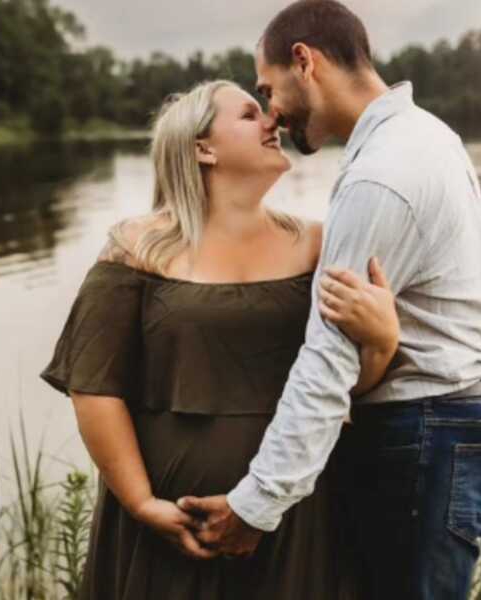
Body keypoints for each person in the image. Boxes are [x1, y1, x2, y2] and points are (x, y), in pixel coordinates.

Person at [178, 2, 481, 599]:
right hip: (447, 423)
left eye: (268, 89)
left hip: (428, 428)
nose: (273, 114)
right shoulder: (423, 137)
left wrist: (256, 505)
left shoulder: (380, 173)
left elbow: (326, 360)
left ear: (304, 61)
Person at [40, 79, 398, 599]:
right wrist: (142, 504)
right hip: (171, 516)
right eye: (251, 115)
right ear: (202, 148)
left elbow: (344, 386)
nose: (273, 120)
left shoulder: (320, 245)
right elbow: (95, 388)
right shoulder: (135, 248)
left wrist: (382, 342)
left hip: (295, 513)